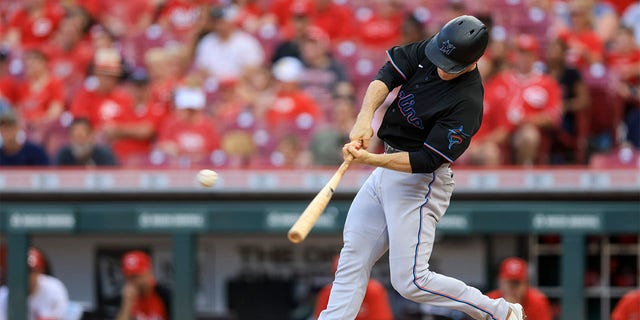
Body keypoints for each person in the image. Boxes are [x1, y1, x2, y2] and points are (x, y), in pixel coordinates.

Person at [317, 15, 525, 320]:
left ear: (471, 61)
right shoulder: (437, 47)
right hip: (386, 169)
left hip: (420, 181)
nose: (441, 66)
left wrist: (370, 160)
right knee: (353, 255)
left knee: (411, 281)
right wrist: (364, 118)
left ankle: (500, 312)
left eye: (449, 63)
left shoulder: (467, 102)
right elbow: (387, 74)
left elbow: (426, 160)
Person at [314, 255, 393, 320]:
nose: (346, 278)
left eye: (350, 273)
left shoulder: (374, 290)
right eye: (341, 275)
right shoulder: (327, 293)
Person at [0, 247, 69, 320]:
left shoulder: (54, 288)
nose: (26, 276)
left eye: (30, 271)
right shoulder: (4, 294)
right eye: (21, 271)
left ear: (40, 272)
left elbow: (59, 317)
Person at [486, 258, 552, 320]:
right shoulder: (490, 300)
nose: (513, 288)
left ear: (526, 284)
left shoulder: (537, 301)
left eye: (517, 283)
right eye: (509, 283)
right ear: (500, 282)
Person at [115, 250, 171, 320]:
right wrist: (127, 306)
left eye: (137, 276)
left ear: (148, 273)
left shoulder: (165, 294)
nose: (133, 281)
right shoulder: (124, 298)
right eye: (129, 277)